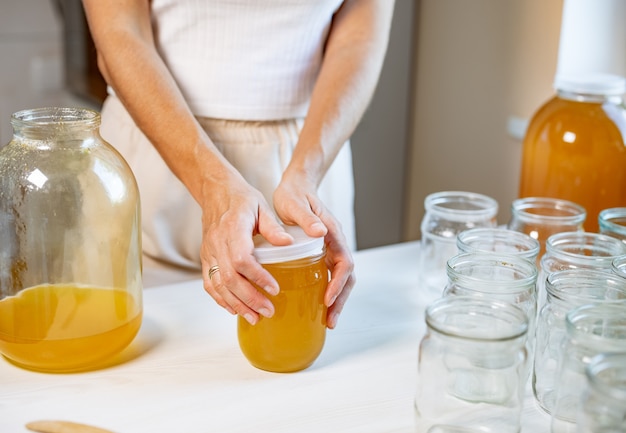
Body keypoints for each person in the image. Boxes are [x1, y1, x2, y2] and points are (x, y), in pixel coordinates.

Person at [81, 0, 395, 329]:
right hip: (156, 151)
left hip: (305, 164)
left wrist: (306, 172)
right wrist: (212, 183)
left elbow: (358, 40)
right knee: (132, 349)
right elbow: (119, 32)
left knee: (302, 355)